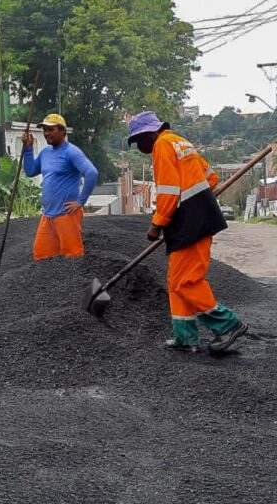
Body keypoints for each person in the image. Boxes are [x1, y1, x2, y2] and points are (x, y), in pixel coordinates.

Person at [127, 110, 247, 354]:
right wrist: (198, 195)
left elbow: (169, 191)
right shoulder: (181, 142)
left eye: (139, 139)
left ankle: (228, 324)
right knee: (176, 282)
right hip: (194, 218)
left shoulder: (162, 146)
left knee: (186, 281)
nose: (139, 145)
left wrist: (157, 223)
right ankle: (185, 337)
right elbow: (211, 177)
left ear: (150, 133)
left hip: (190, 222)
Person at [21, 113, 98, 260]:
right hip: (48, 215)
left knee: (72, 256)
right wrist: (28, 149)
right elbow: (31, 171)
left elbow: (91, 173)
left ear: (62, 131)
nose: (47, 133)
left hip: (66, 215)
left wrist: (80, 202)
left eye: (51, 129)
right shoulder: (45, 153)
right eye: (45, 130)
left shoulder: (71, 152)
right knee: (41, 256)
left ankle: (74, 283)